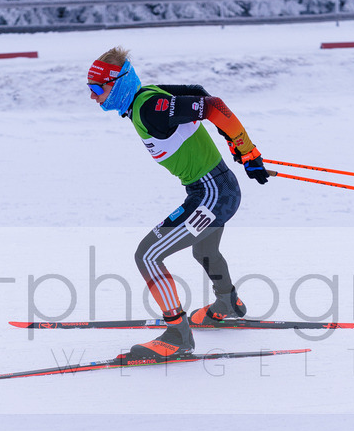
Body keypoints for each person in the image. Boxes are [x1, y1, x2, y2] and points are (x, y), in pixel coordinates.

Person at [87, 46, 269, 361]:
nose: (92, 96)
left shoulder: (149, 108)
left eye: (96, 89)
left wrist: (246, 149)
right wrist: (234, 142)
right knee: (204, 250)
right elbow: (198, 94)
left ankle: (178, 334)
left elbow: (213, 106)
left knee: (148, 255)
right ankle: (227, 304)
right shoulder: (145, 99)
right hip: (216, 190)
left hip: (212, 194)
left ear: (117, 83)